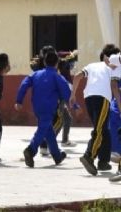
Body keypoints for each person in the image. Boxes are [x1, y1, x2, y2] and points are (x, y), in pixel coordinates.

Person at [71, 45, 121, 177]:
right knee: (99, 130)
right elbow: (114, 87)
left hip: (88, 98)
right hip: (103, 98)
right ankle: (89, 156)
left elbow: (77, 76)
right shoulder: (113, 68)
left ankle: (103, 161)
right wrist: (119, 105)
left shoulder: (91, 65)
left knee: (103, 129)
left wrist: (73, 95)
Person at [15, 50, 71, 168]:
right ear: (57, 64)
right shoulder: (57, 76)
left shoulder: (35, 74)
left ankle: (57, 156)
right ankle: (30, 150)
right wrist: (70, 103)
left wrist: (19, 101)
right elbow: (66, 90)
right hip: (49, 108)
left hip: (37, 107)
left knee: (48, 131)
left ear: (45, 62)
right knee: (42, 130)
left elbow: (24, 84)